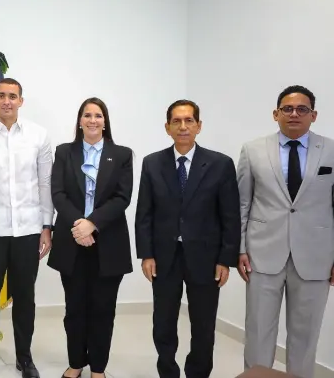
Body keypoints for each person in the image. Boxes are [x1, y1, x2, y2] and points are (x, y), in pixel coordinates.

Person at [135, 100, 240, 378]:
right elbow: (144, 213)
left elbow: (230, 216)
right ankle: (167, 370)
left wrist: (225, 259)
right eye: (177, 121)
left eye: (189, 120)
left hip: (206, 258)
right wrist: (146, 254)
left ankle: (198, 372)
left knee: (203, 325)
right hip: (164, 257)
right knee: (163, 322)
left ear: (199, 126)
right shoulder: (152, 163)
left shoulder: (220, 164)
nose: (183, 127)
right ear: (167, 127)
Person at [237, 85, 334, 378]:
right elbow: (242, 204)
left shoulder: (331, 150)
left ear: (313, 115)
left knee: (305, 337)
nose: (294, 114)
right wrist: (240, 248)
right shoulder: (252, 150)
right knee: (258, 332)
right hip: (261, 254)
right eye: (287, 109)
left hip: (316, 257)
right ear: (275, 113)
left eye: (302, 109)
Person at [0, 77, 53, 378]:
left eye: (12, 96)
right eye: (1, 95)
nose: (6, 101)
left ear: (21, 101)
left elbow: (45, 183)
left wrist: (46, 226)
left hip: (28, 230)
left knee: (25, 298)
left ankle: (24, 358)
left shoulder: (38, 136)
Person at [48, 97, 134, 378]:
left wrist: (93, 223)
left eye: (98, 115)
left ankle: (98, 368)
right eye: (87, 115)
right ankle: (75, 363)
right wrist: (80, 225)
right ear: (80, 121)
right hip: (72, 240)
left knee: (103, 310)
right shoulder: (65, 152)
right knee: (74, 309)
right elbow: (58, 193)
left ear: (105, 122)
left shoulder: (122, 154)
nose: (92, 120)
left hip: (108, 243)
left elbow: (122, 197)